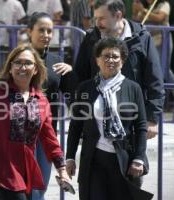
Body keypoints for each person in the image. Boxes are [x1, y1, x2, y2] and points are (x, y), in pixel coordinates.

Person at [0, 43, 71, 200]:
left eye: (28, 63)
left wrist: (61, 169)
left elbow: (49, 139)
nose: (22, 67)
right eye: (17, 63)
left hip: (26, 169)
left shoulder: (41, 100)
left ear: (35, 69)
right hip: (0, 166)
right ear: (10, 67)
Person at [66, 37, 153, 200]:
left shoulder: (133, 88)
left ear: (123, 61)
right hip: (93, 160)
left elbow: (141, 126)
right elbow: (76, 126)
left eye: (115, 56)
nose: (110, 60)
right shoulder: (85, 88)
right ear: (97, 60)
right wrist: (70, 157)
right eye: (106, 56)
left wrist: (139, 158)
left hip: (123, 160)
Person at [74, 0, 165, 139]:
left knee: (134, 160)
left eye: (102, 18)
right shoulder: (91, 38)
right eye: (96, 18)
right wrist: (80, 115)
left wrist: (152, 117)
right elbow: (80, 78)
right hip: (96, 119)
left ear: (118, 15)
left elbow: (154, 80)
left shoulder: (141, 37)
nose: (98, 23)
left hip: (131, 118)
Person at [26, 12, 75, 200]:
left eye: (49, 31)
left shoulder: (56, 61)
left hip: (46, 134)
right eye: (41, 30)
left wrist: (71, 72)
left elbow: (73, 96)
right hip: (19, 135)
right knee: (24, 189)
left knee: (40, 188)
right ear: (29, 31)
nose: (46, 35)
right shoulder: (19, 57)